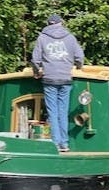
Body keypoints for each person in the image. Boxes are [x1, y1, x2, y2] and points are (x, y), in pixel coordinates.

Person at [32, 14, 84, 152]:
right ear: (61, 23)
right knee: (63, 112)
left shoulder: (42, 38)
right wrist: (78, 67)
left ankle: (55, 143)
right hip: (66, 79)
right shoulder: (70, 38)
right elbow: (80, 57)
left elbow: (35, 60)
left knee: (52, 112)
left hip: (49, 79)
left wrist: (37, 72)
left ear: (48, 24)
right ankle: (65, 144)